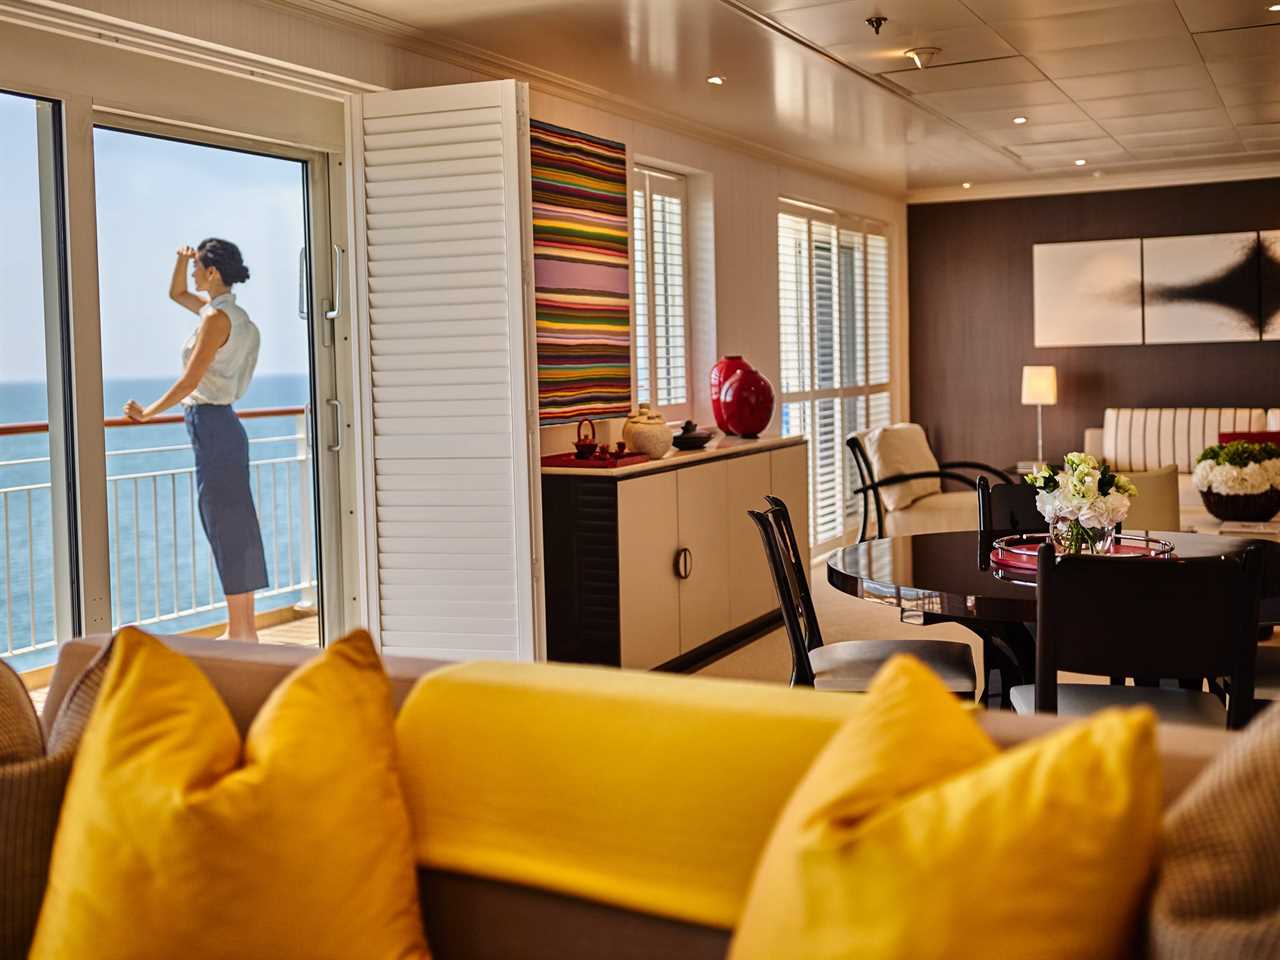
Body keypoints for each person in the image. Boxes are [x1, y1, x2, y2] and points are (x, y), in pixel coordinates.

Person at [124, 239, 267, 641]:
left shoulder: (214, 320)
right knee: (232, 523)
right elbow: (176, 294)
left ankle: (241, 630)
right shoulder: (234, 317)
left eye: (196, 269)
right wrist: (181, 260)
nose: (192, 275)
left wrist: (147, 412)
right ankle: (243, 628)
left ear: (213, 273)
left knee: (225, 524)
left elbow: (191, 380)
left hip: (212, 427)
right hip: (223, 427)